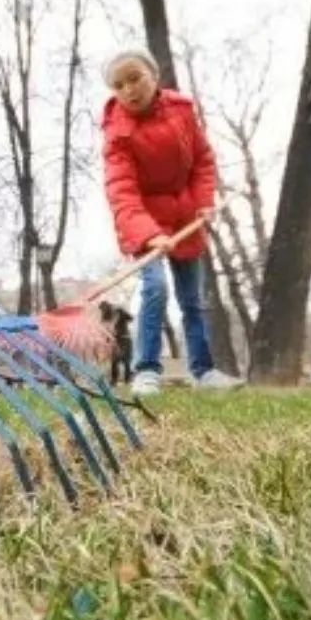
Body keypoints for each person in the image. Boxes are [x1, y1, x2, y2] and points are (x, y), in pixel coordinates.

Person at [100, 47, 244, 397]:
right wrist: (149, 234)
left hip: (185, 219)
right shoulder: (117, 133)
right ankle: (146, 371)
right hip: (143, 222)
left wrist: (203, 203)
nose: (129, 90)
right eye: (119, 85)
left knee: (192, 299)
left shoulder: (182, 111)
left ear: (154, 75)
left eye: (135, 78)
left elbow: (202, 162)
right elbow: (122, 191)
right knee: (155, 289)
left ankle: (203, 371)